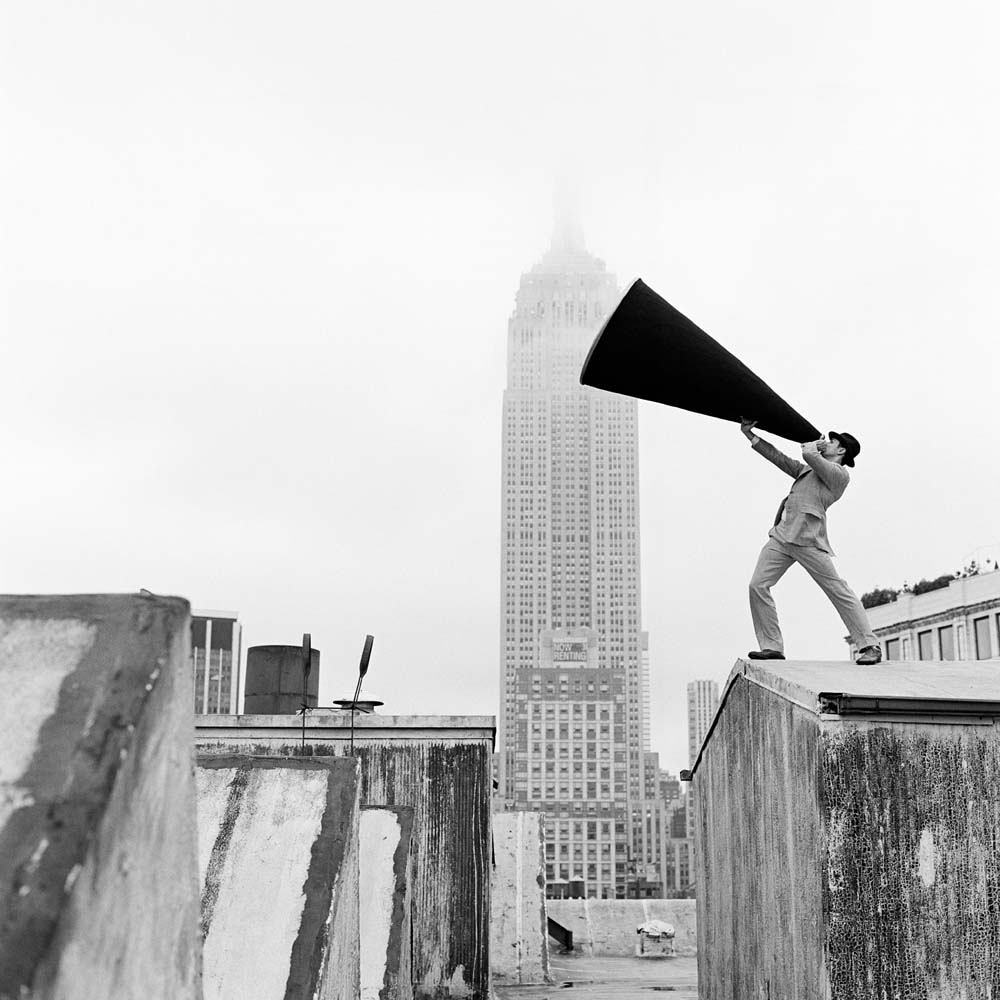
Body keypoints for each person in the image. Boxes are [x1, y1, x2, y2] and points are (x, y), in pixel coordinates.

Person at [740, 417, 882, 665]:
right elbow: (779, 458)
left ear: (841, 450)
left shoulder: (839, 474)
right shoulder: (809, 468)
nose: (825, 442)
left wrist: (812, 446)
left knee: (838, 590)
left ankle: (869, 644)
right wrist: (751, 435)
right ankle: (772, 646)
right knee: (757, 585)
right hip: (782, 536)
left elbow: (810, 456)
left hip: (808, 540)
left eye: (831, 441)